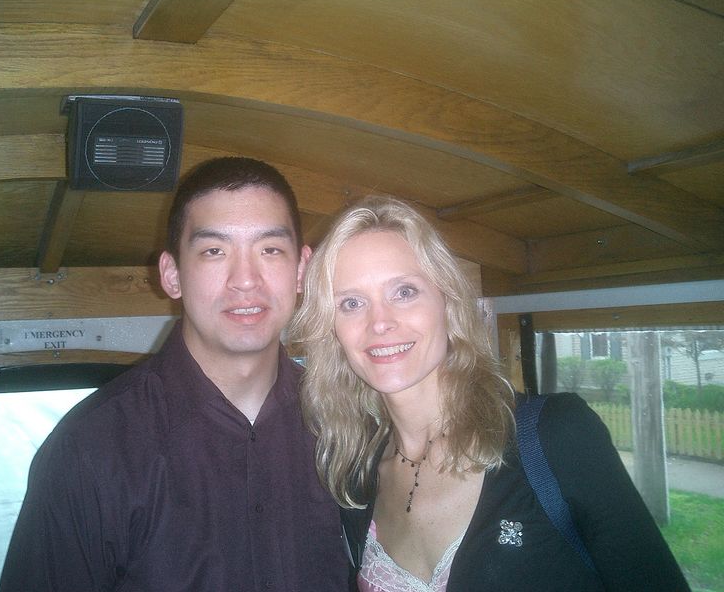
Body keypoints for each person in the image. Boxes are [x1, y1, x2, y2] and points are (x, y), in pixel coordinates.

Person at [290, 195, 689, 592]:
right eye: (352, 302)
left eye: (404, 292)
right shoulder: (356, 478)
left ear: (447, 302)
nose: (380, 322)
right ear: (332, 329)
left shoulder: (557, 435)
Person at [0, 157, 348, 591]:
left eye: (270, 250)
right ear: (172, 275)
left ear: (301, 270)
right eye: (214, 251)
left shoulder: (342, 429)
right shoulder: (88, 452)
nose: (245, 280)